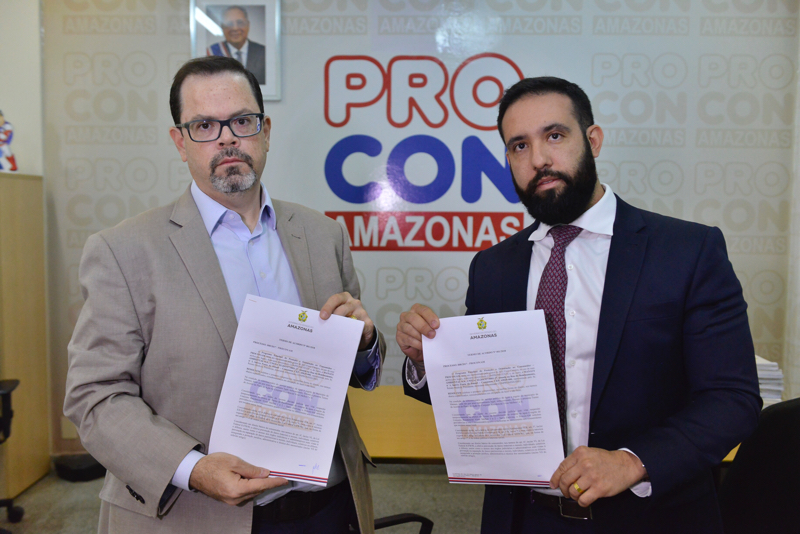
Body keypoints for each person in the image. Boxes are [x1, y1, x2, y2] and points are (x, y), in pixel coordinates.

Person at [395, 77, 761, 534]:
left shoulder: (687, 251)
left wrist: (633, 461)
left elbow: (732, 399)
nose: (539, 159)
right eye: (519, 146)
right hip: (523, 520)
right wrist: (426, 360)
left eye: (554, 136)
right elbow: (477, 393)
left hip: (651, 518)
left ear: (593, 140)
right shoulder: (493, 267)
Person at [64, 56, 384, 534]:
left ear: (265, 131)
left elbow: (354, 369)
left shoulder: (323, 235)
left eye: (242, 121)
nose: (227, 138)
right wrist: (192, 468)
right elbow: (94, 397)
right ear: (180, 142)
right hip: (195, 516)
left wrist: (365, 343)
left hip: (327, 509)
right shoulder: (124, 250)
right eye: (204, 126)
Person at [207, 6, 266, 85]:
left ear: (248, 25)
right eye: (229, 24)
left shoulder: (263, 53)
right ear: (222, 27)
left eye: (240, 23)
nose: (235, 28)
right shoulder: (211, 54)